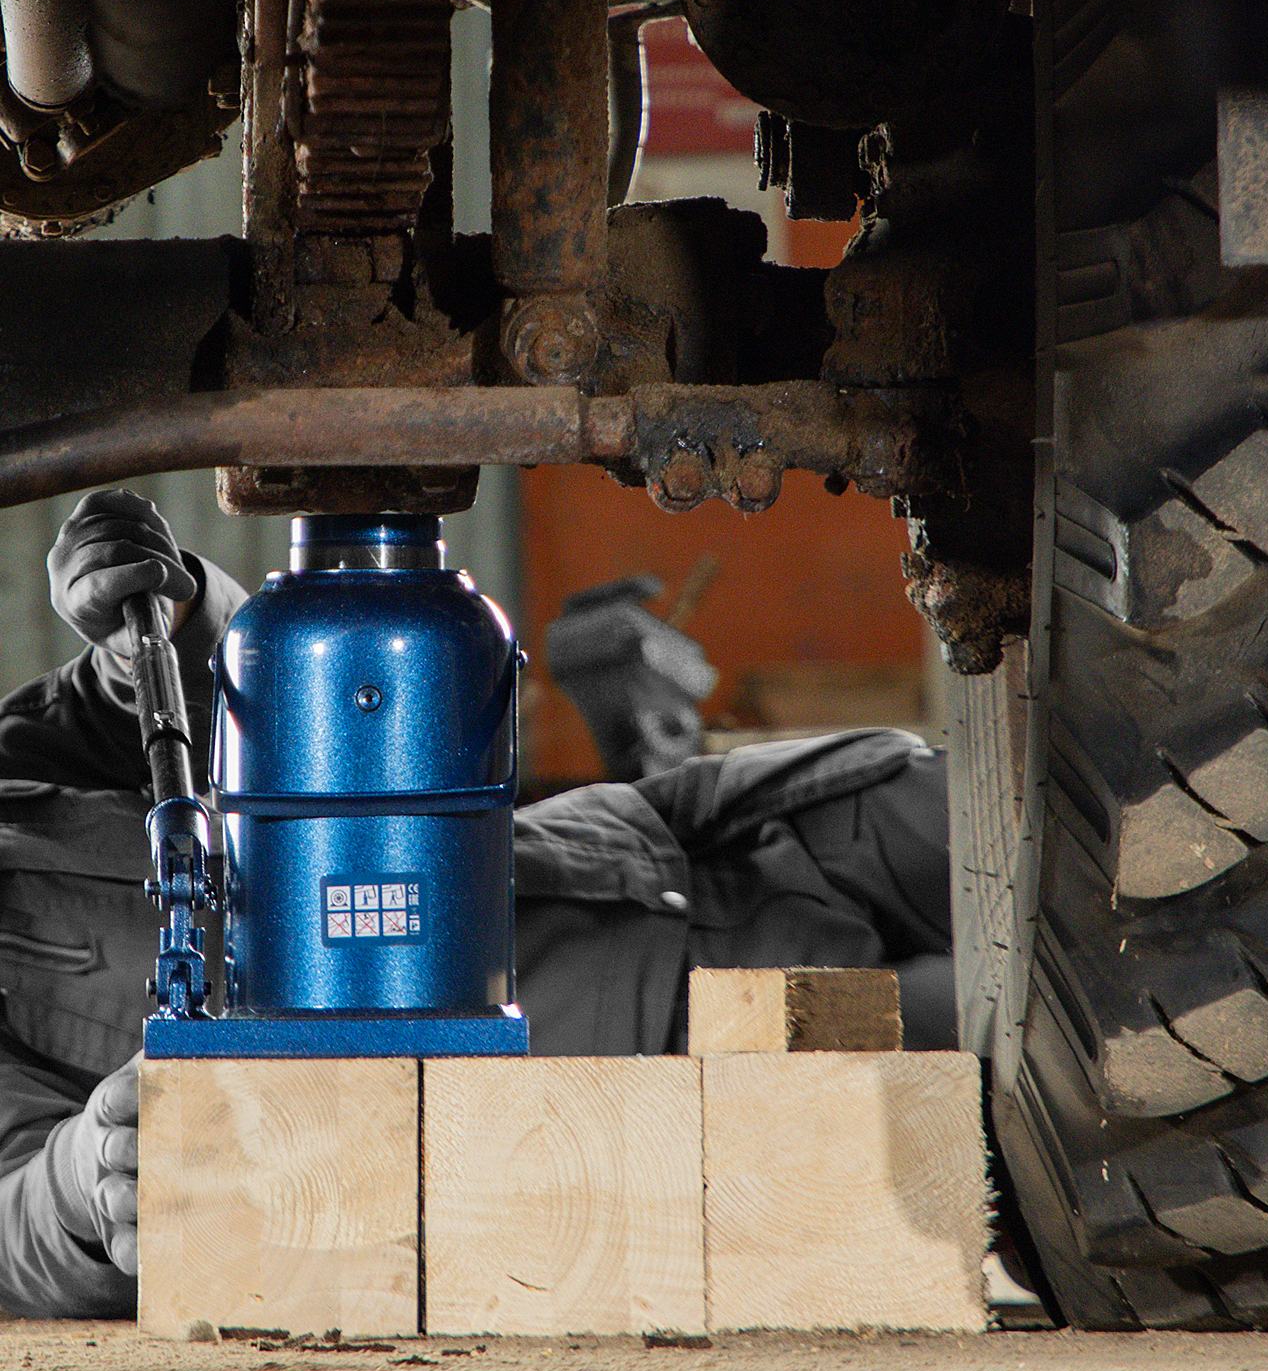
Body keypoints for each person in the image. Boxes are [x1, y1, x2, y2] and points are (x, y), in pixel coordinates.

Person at [0, 490, 955, 1318]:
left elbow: (194, 698)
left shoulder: (15, 770)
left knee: (1009, 814)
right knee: (1000, 1075)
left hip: (694, 836)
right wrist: (86, 1180)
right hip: (670, 1056)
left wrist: (164, 610)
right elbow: (24, 1226)